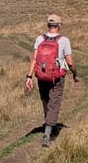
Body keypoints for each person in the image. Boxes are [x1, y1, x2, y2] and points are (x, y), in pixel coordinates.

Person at [25, 14, 80, 147]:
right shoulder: (64, 40)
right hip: (57, 77)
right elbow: (70, 62)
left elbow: (34, 59)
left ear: (48, 25)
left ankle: (48, 124)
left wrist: (29, 77)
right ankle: (48, 134)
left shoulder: (40, 38)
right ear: (59, 25)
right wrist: (75, 74)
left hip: (41, 76)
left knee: (46, 101)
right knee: (54, 103)